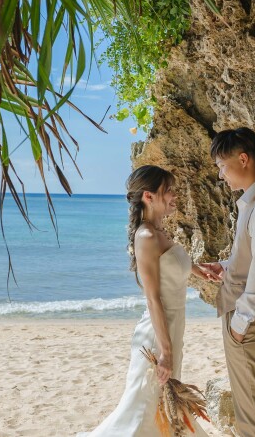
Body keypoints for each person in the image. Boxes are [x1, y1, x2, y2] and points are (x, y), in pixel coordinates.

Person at [79, 165, 215, 437]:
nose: (174, 196)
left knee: (162, 405)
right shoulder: (147, 236)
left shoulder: (160, 231)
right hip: (157, 333)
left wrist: (199, 270)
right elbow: (153, 299)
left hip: (173, 327)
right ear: (148, 196)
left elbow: (171, 268)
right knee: (143, 407)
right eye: (168, 191)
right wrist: (165, 352)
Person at [198, 128, 255, 437]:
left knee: (253, 417)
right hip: (246, 319)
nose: (221, 176)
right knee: (248, 411)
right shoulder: (254, 203)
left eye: (222, 166)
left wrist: (239, 324)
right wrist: (226, 268)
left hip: (251, 323)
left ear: (243, 159)